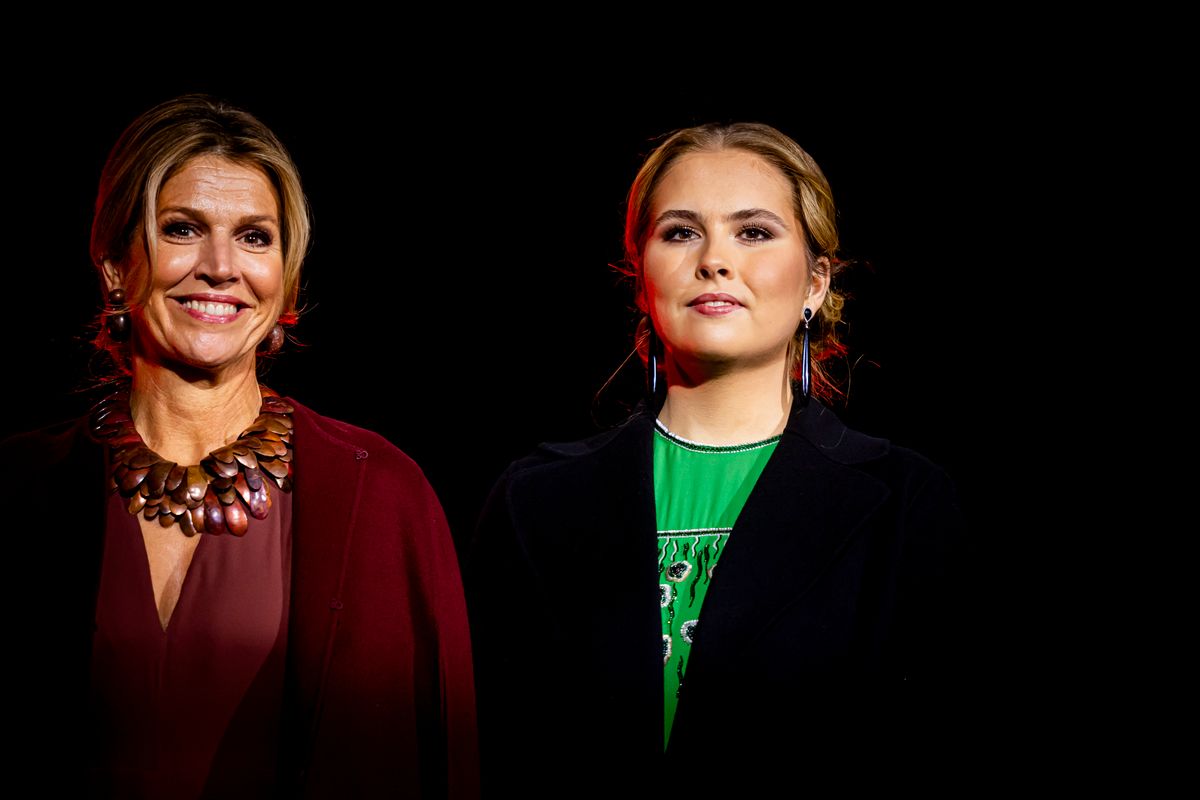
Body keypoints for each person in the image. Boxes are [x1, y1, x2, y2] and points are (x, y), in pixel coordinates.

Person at [465, 122, 970, 795]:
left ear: (816, 283)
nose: (714, 260)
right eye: (680, 232)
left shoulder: (906, 505)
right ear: (640, 277)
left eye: (753, 231)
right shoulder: (533, 503)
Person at [1, 94, 477, 798]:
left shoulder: (383, 493)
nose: (221, 266)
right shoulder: (14, 488)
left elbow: (445, 763)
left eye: (255, 237)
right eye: (183, 229)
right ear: (112, 263)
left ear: (285, 277)